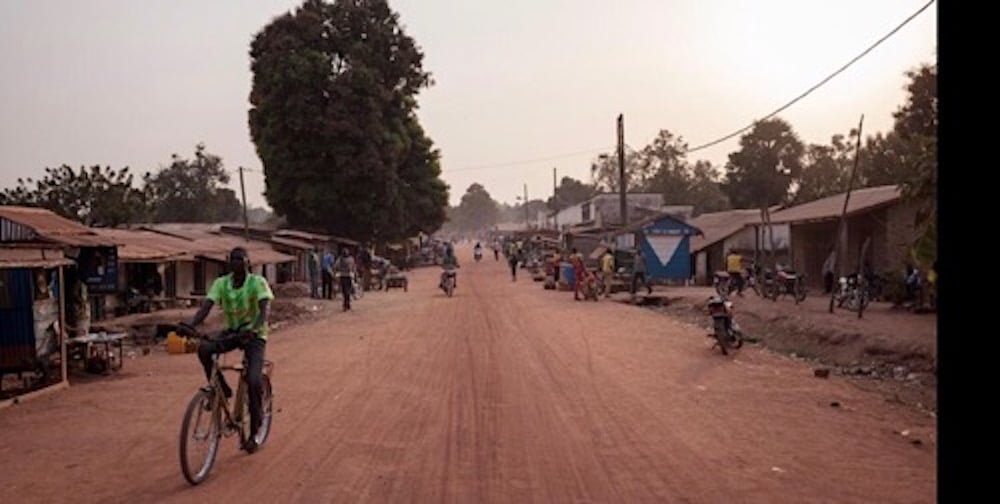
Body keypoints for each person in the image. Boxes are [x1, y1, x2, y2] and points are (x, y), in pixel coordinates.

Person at [183, 247, 273, 453]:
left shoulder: (258, 283)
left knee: (253, 380)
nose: (236, 263)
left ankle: (255, 432)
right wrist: (191, 325)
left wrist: (255, 328)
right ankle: (221, 389)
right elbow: (206, 306)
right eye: (233, 260)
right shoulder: (221, 283)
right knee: (204, 349)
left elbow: (264, 310)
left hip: (254, 336)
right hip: (232, 332)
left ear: (248, 262)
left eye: (240, 260)